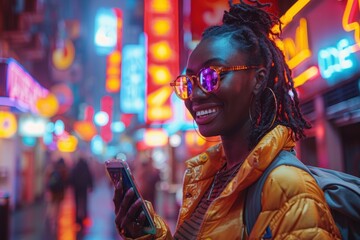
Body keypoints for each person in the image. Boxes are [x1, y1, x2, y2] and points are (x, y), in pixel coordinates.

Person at [112, 1, 341, 239]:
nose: (196, 95)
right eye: (189, 82)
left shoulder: (289, 187)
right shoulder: (205, 178)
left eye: (212, 76)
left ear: (258, 79)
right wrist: (146, 233)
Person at [68, 156, 94, 229]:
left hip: (77, 188)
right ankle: (84, 217)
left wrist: (71, 185)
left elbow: (72, 177)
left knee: (77, 203)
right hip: (84, 188)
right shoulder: (86, 168)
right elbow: (90, 177)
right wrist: (91, 186)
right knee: (84, 202)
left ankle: (77, 219)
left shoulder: (76, 167)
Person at [45, 157, 68, 231]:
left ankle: (50, 218)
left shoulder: (54, 170)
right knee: (58, 206)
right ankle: (55, 219)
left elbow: (49, 180)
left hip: (53, 191)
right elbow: (66, 180)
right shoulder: (63, 170)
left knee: (52, 204)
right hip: (60, 191)